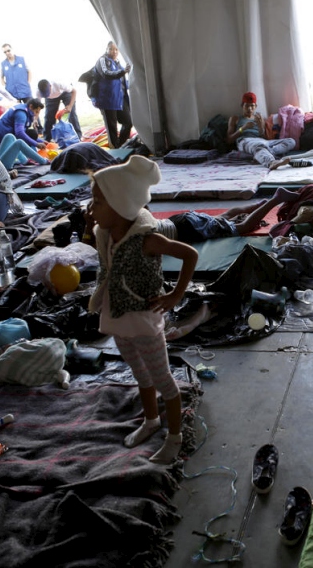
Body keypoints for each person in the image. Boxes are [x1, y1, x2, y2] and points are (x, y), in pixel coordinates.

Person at [86, 156, 199, 464]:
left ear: (121, 204)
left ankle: (174, 439)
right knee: (140, 375)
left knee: (163, 380)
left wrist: (176, 295)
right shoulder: (107, 235)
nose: (91, 209)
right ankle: (151, 421)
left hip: (143, 323)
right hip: (118, 320)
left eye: (97, 202)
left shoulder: (148, 240)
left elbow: (189, 255)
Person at [154, 187, 301, 244]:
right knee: (223, 216)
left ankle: (276, 199)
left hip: (188, 228)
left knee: (242, 227)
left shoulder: (143, 238)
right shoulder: (142, 223)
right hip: (180, 220)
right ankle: (256, 206)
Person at [227, 91, 295, 170]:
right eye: (247, 106)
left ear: (255, 106)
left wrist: (260, 127)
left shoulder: (259, 117)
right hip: (245, 141)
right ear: (242, 105)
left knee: (291, 141)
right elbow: (229, 140)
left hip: (261, 141)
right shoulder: (235, 118)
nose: (249, 109)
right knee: (258, 146)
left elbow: (264, 136)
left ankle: (262, 153)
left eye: (252, 106)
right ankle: (271, 162)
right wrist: (243, 128)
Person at [87, 41, 133, 149]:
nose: (114, 51)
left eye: (116, 49)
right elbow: (106, 73)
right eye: (111, 49)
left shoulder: (117, 63)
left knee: (128, 122)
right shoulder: (102, 60)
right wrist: (122, 72)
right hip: (107, 100)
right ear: (106, 49)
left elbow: (123, 81)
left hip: (120, 100)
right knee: (112, 128)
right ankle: (115, 150)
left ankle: (121, 146)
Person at [0, 99, 50, 169]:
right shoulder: (21, 113)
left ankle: (25, 160)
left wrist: (40, 141)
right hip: (1, 166)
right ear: (31, 107)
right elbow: (19, 133)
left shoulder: (23, 109)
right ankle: (43, 161)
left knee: (10, 136)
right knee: (19, 142)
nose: (36, 115)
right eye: (36, 111)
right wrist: (36, 144)